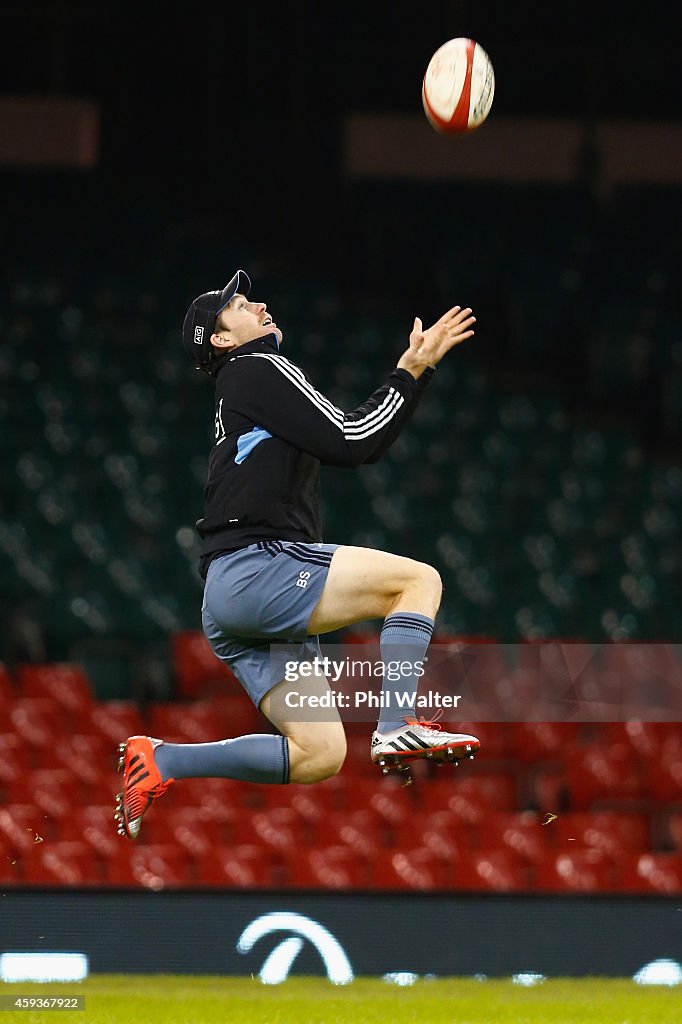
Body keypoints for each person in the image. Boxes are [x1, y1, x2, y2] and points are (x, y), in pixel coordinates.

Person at [116, 269, 480, 840]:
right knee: (418, 583)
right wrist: (412, 370)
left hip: (229, 598)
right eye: (239, 303)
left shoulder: (239, 383)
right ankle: (394, 724)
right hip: (257, 570)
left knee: (320, 753)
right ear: (220, 338)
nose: (258, 304)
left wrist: (413, 370)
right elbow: (356, 439)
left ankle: (165, 760)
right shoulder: (256, 365)